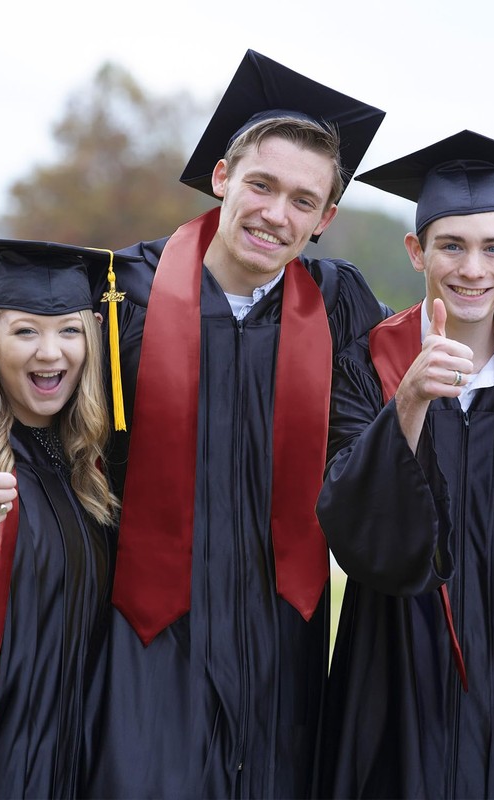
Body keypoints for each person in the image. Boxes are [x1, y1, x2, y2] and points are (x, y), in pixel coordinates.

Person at [82, 49, 389, 800]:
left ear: (325, 219)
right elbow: (21, 372)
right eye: (261, 184)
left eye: (301, 200)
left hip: (283, 634)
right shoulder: (126, 292)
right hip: (147, 628)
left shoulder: (338, 303)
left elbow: (420, 370)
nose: (275, 214)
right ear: (223, 178)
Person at [315, 130, 494, 799]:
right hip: (400, 672)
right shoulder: (367, 362)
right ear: (418, 251)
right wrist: (408, 398)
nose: (474, 268)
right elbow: (349, 521)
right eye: (452, 246)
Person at [0, 238, 131, 798]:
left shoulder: (88, 459)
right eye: (26, 331)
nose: (51, 353)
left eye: (69, 331)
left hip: (65, 750)